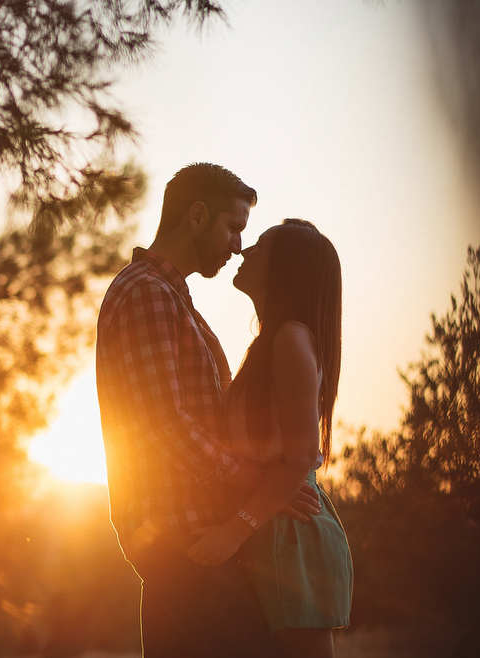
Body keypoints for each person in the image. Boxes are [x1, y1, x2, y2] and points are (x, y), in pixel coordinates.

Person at [96, 164, 321, 658]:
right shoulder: (148, 294)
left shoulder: (174, 300)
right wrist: (259, 487)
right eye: (233, 227)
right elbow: (164, 425)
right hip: (185, 549)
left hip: (198, 549)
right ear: (197, 216)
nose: (238, 245)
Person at [187, 219, 354, 658]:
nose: (244, 251)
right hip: (272, 525)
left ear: (284, 268)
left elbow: (301, 456)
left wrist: (232, 531)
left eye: (259, 246)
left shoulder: (291, 338)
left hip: (292, 532)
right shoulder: (271, 342)